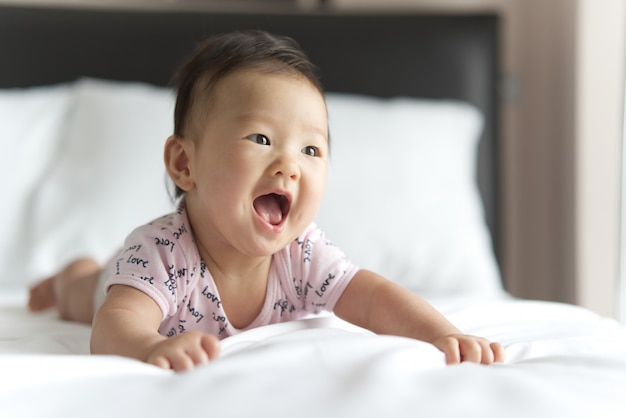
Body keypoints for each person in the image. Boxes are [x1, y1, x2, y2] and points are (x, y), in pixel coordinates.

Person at [28, 30, 505, 372]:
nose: (290, 165)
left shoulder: (301, 254)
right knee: (81, 293)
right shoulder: (158, 253)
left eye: (311, 149)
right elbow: (114, 324)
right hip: (110, 282)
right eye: (260, 137)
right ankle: (70, 274)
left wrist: (441, 333)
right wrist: (150, 348)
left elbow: (373, 297)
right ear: (184, 164)